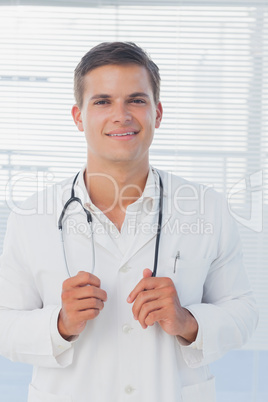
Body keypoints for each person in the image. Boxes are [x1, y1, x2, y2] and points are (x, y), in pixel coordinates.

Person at [0, 42, 258, 402]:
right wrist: (60, 324)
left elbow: (243, 313)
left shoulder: (207, 209)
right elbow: (5, 324)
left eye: (136, 100)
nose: (121, 115)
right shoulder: (31, 216)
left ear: (158, 113)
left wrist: (187, 321)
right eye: (102, 101)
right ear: (78, 117)